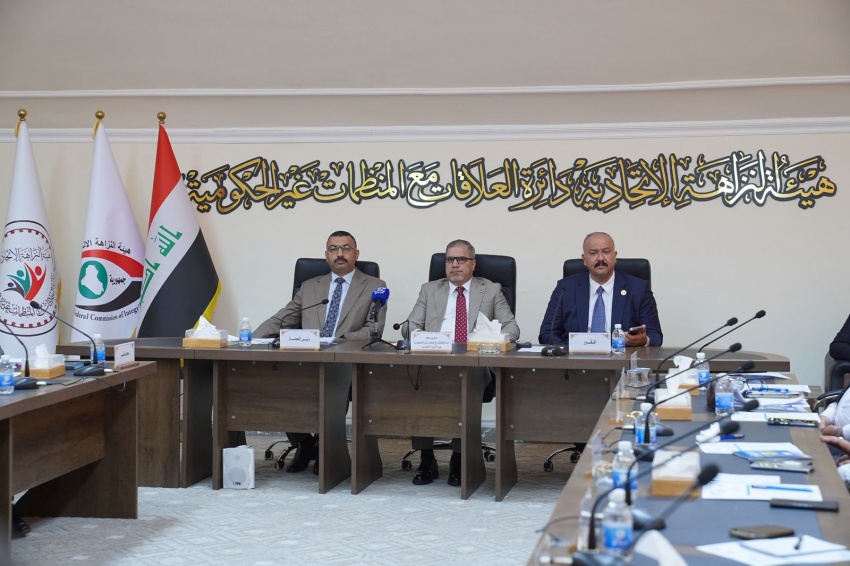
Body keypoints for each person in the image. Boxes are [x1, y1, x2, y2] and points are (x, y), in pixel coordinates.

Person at [255, 230, 386, 473]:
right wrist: (251, 339)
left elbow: (373, 330)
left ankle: (329, 448)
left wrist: (336, 341)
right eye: (334, 248)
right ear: (326, 255)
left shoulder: (375, 286)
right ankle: (305, 443)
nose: (340, 253)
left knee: (335, 384)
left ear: (356, 253)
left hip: (345, 361)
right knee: (279, 385)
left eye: (346, 248)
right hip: (306, 359)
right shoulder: (310, 287)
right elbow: (282, 319)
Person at [403, 239, 520, 486]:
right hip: (434, 358)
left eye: (461, 259)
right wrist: (416, 333)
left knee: (464, 378)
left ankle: (459, 457)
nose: (454, 265)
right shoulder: (429, 289)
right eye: (449, 260)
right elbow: (410, 325)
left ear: (473, 264)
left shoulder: (490, 289)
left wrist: (490, 341)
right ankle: (427, 458)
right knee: (416, 376)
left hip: (474, 362)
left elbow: (512, 328)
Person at [538, 231, 662, 347]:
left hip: (621, 358)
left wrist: (644, 340)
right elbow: (547, 333)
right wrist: (567, 352)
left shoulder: (638, 289)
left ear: (615, 256)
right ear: (584, 259)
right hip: (576, 359)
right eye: (593, 253)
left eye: (606, 252)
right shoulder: (565, 288)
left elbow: (655, 336)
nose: (601, 258)